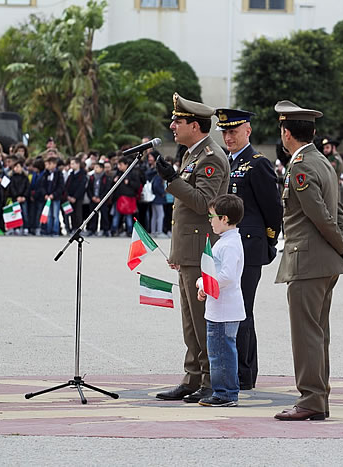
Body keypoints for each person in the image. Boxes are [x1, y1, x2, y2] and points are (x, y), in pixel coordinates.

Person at [272, 100, 343, 421]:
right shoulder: (322, 161)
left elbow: (321, 215)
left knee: (307, 332)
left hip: (307, 260)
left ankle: (310, 399)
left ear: (286, 133)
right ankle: (318, 398)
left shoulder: (301, 167)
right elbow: (338, 211)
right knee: (318, 332)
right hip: (324, 261)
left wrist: (340, 242)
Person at [154, 93, 230, 403]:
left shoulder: (210, 156)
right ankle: (193, 377)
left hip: (202, 250)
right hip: (190, 249)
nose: (172, 125)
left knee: (202, 320)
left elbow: (203, 203)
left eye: (178, 121)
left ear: (196, 126)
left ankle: (211, 380)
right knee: (190, 322)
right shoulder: (192, 154)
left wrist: (172, 180)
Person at [215, 107, 283, 390]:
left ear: (247, 131)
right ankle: (236, 369)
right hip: (228, 245)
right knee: (230, 308)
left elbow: (273, 209)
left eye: (233, 131)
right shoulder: (225, 162)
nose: (228, 137)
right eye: (225, 132)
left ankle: (244, 373)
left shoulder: (258, 164)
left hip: (248, 247)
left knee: (242, 310)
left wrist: (267, 241)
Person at [195, 194, 246, 407]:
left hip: (225, 309)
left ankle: (225, 393)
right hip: (219, 305)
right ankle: (224, 390)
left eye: (212, 216)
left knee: (221, 354)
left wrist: (203, 285)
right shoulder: (225, 241)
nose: (210, 220)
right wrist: (204, 285)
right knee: (219, 351)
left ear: (224, 219)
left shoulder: (230, 244)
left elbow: (226, 276)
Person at [37, 155, 64, 236]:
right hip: (47, 197)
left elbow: (61, 186)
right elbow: (42, 185)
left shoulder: (59, 174)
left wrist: (54, 195)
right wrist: (45, 194)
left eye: (49, 164)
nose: (47, 166)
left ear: (54, 164)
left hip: (55, 197)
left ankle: (55, 231)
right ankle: (48, 231)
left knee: (55, 215)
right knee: (48, 215)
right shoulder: (45, 174)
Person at [86, 162, 112, 236]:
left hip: (103, 200)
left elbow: (107, 189)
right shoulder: (92, 177)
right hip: (93, 199)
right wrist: (92, 197)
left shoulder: (106, 178)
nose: (95, 169)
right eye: (95, 167)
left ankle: (105, 230)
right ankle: (92, 229)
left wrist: (101, 198)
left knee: (104, 215)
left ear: (101, 169)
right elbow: (89, 189)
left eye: (97, 167)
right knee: (93, 215)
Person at [6, 160, 30, 235]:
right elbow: (11, 188)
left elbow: (28, 188)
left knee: (25, 214)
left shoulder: (25, 178)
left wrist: (24, 197)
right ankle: (16, 228)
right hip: (15, 199)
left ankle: (25, 228)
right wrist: (16, 196)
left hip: (23, 198)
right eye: (15, 167)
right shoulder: (12, 178)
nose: (16, 168)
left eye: (18, 167)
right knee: (16, 214)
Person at [64, 157, 87, 231]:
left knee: (78, 214)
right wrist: (68, 196)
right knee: (70, 213)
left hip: (78, 198)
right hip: (69, 197)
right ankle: (72, 227)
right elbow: (67, 186)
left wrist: (75, 197)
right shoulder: (71, 174)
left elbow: (82, 187)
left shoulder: (82, 175)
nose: (71, 165)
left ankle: (79, 228)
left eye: (73, 164)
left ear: (78, 164)